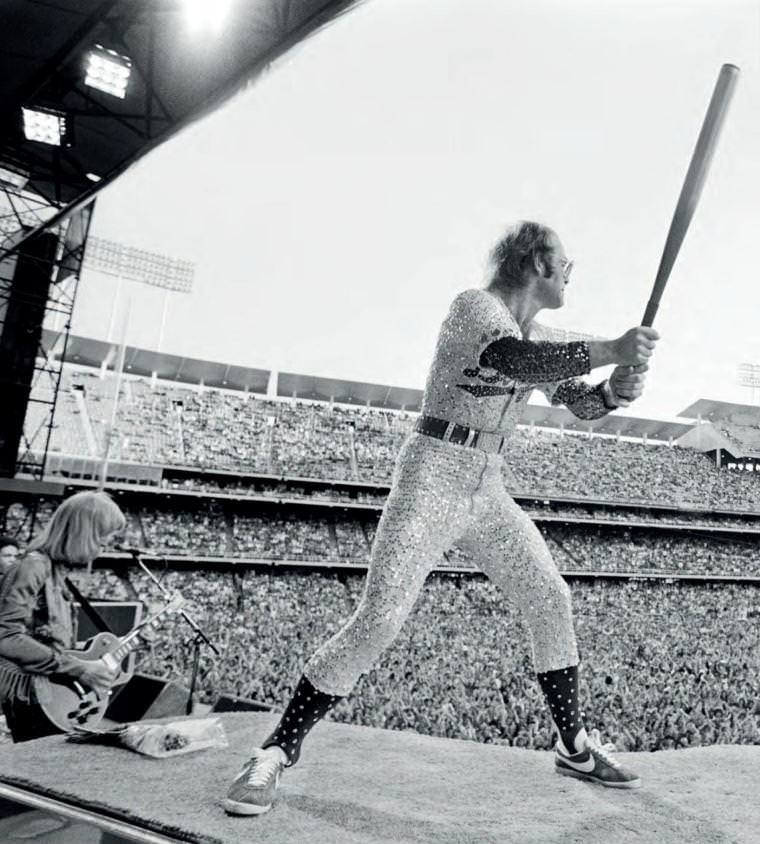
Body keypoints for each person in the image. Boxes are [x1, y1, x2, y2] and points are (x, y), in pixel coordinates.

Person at [223, 221, 658, 815]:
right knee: (379, 619)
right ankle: (274, 750)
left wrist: (615, 392)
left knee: (551, 598)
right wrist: (611, 349)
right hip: (433, 472)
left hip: (488, 482)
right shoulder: (474, 307)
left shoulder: (542, 333)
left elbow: (581, 404)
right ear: (536, 262)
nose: (571, 272)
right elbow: (513, 360)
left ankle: (573, 746)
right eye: (566, 261)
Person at [0, 491, 125, 742]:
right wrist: (81, 669)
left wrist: (89, 657)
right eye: (101, 540)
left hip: (44, 692)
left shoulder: (57, 572)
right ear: (83, 534)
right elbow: (6, 636)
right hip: (28, 694)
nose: (103, 548)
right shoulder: (33, 567)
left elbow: (47, 639)